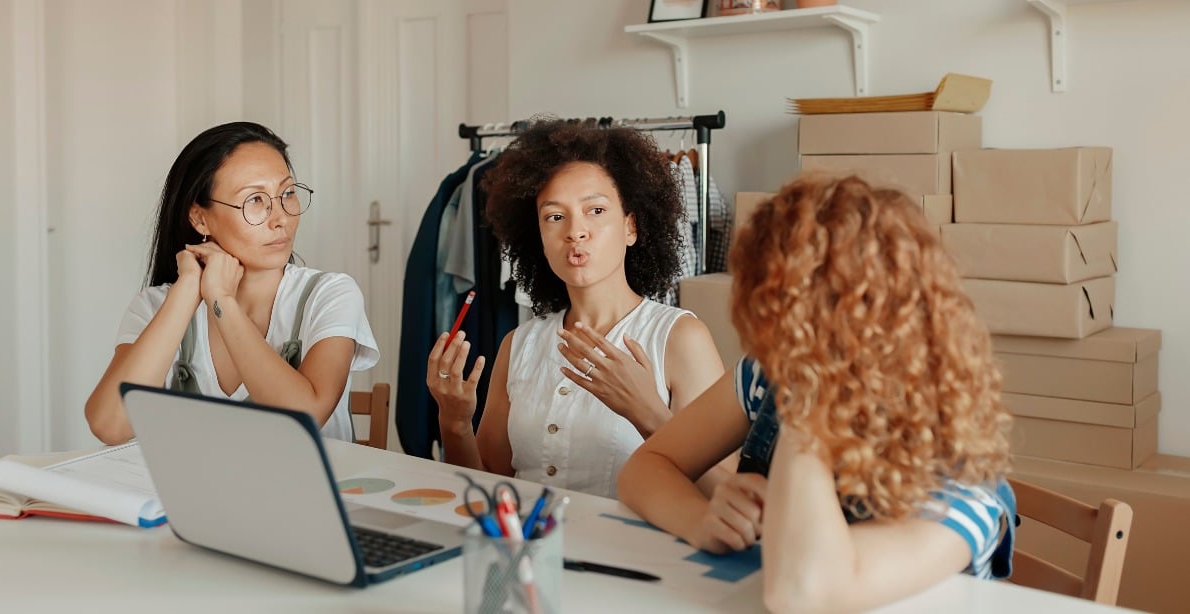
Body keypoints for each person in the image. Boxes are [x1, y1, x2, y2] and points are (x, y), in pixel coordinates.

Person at [618, 175, 1016, 612]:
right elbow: (645, 468)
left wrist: (808, 403)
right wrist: (702, 520)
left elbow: (802, 592)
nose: (778, 348)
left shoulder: (961, 480)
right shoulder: (765, 376)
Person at [426, 119, 728, 499]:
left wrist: (648, 413)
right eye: (555, 216)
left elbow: (724, 492)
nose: (575, 231)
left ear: (631, 226)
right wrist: (454, 423)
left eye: (596, 211)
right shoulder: (518, 345)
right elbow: (490, 486)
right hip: (530, 552)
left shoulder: (681, 339)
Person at [85, 121, 379, 445]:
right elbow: (110, 424)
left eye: (288, 193)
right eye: (254, 200)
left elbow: (305, 417)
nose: (280, 217)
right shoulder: (156, 307)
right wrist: (187, 290)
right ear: (200, 218)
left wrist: (221, 299)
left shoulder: (330, 295)